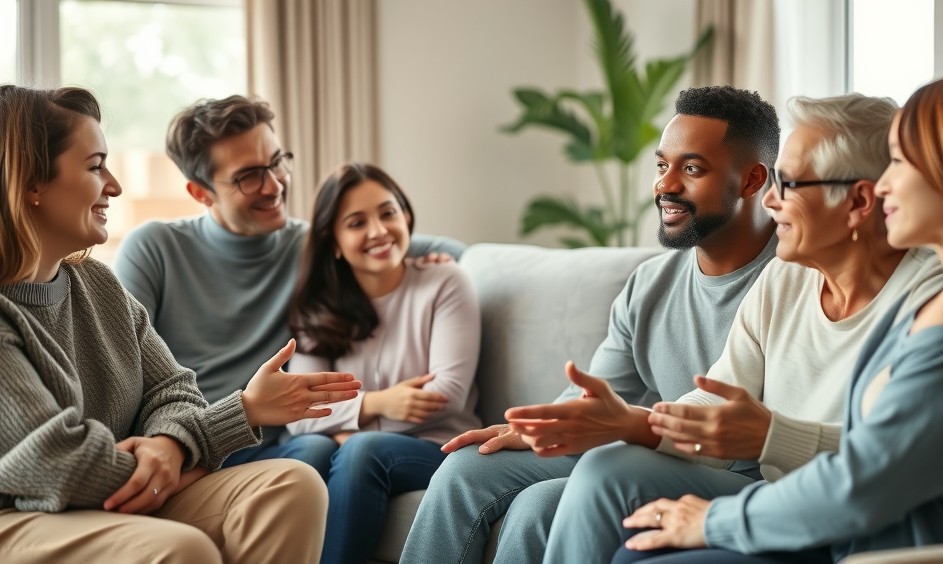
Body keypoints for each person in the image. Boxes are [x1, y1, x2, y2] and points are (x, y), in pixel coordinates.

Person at [531, 93, 943, 563]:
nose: (769, 200)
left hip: (860, 527)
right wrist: (634, 423)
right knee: (610, 470)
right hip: (779, 499)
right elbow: (718, 397)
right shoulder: (786, 277)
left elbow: (887, 459)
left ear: (859, 202)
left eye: (787, 184)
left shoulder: (933, 299)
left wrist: (771, 435)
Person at [0, 85, 363, 563]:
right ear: (30, 183)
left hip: (115, 488)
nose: (113, 185)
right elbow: (56, 463)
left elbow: (174, 392)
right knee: (181, 549)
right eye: (95, 167)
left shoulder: (96, 284)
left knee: (292, 483)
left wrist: (171, 445)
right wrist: (206, 436)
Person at [612, 70, 943, 564]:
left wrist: (713, 521)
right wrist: (631, 423)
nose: (883, 184)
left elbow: (864, 481)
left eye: (901, 160)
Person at [399, 85, 781, 564]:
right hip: (648, 449)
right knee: (465, 469)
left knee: (538, 507)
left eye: (692, 168)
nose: (665, 185)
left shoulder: (792, 278)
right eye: (662, 165)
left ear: (751, 181)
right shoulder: (650, 284)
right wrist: (542, 427)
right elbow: (598, 390)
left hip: (739, 476)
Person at [113, 96, 464, 467]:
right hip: (194, 438)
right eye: (249, 176)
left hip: (281, 441)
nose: (275, 185)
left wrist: (434, 263)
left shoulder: (312, 246)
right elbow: (121, 369)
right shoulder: (154, 248)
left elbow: (406, 241)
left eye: (277, 162)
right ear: (201, 193)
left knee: (318, 450)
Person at [283, 162, 481, 564]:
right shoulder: (319, 307)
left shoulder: (445, 281)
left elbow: (447, 394)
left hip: (440, 447)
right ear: (334, 242)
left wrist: (346, 426)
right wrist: (375, 404)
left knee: (361, 450)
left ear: (406, 216)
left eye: (388, 213)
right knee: (310, 450)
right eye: (357, 222)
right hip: (357, 446)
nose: (378, 230)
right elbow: (298, 410)